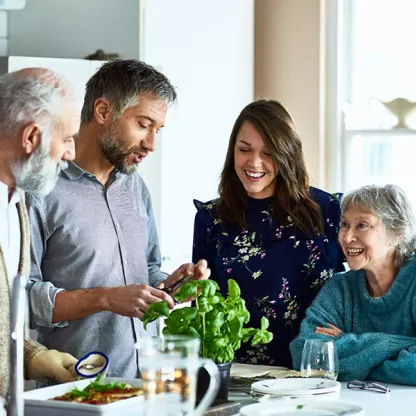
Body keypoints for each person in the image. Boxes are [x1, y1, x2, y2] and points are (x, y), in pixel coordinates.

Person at [26, 59, 211, 379]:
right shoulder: (39, 190)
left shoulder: (135, 187)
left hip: (147, 386)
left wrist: (171, 286)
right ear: (102, 111)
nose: (151, 144)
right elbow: (23, 298)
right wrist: (107, 297)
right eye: (143, 124)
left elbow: (148, 269)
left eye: (158, 130)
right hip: (76, 393)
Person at [192, 99, 345, 368]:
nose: (254, 162)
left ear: (287, 154)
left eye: (269, 153)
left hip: (312, 369)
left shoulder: (329, 210)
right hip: (237, 371)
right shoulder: (210, 218)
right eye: (244, 149)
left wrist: (356, 337)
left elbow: (369, 280)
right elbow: (203, 308)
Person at [0, 68, 80, 400]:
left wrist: (34, 357)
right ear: (31, 137)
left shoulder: (16, 203)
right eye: (67, 138)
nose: (71, 153)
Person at [290, 184, 416, 384]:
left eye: (362, 225)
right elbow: (306, 354)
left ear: (397, 233)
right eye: (345, 225)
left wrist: (347, 342)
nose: (347, 237)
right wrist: (403, 346)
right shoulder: (340, 288)